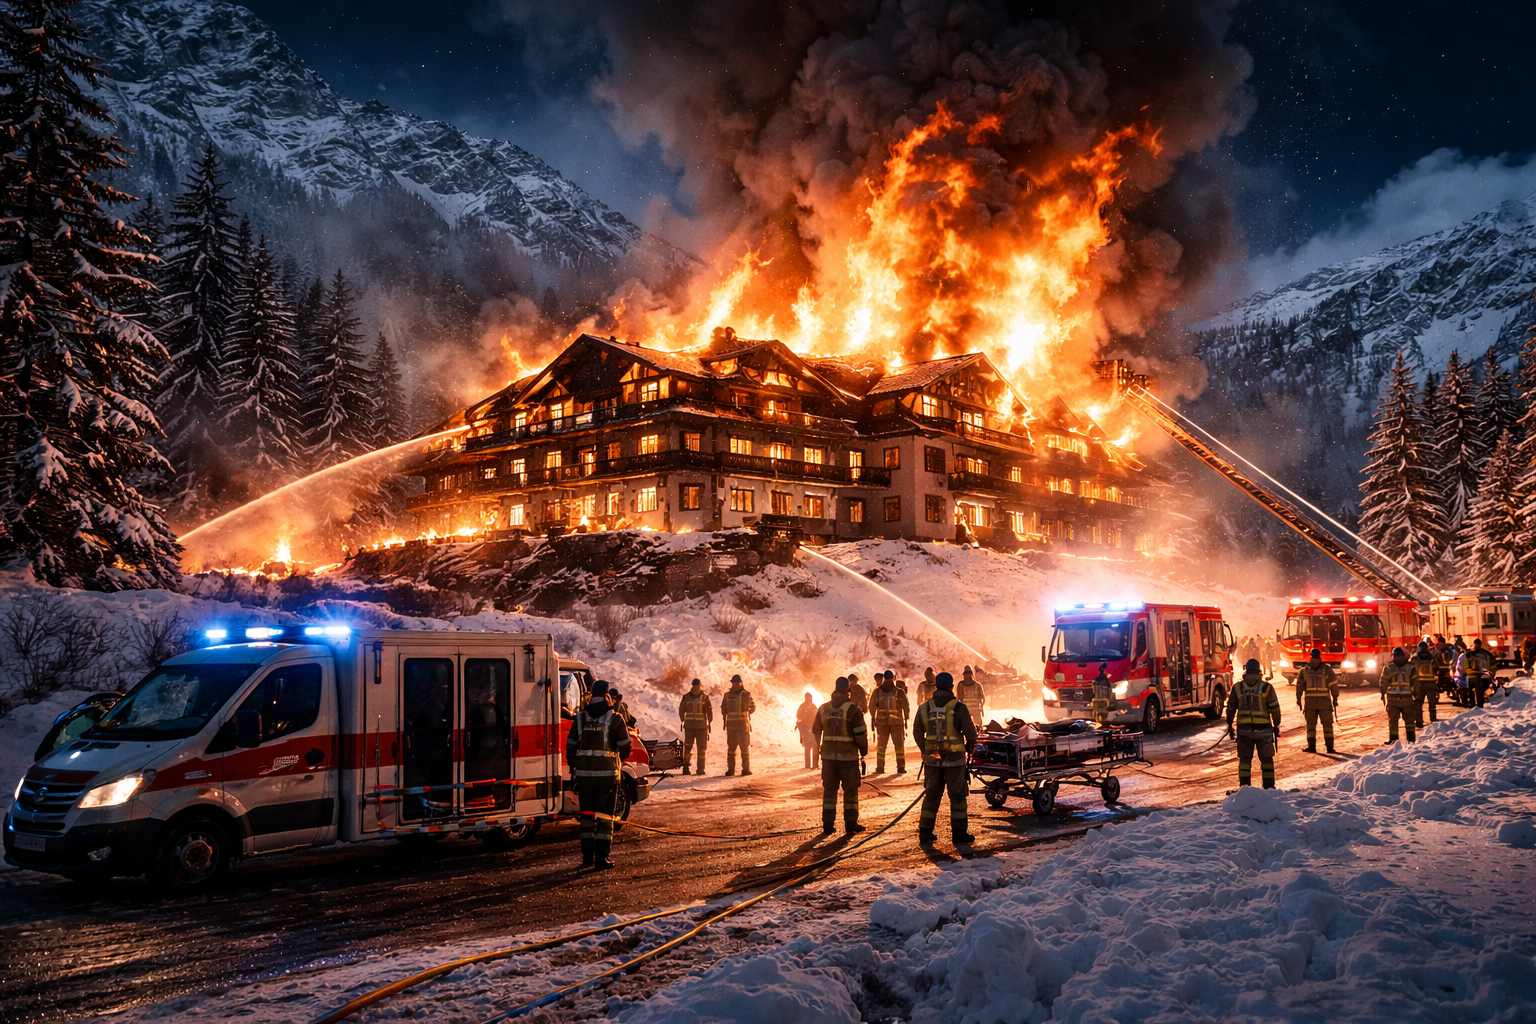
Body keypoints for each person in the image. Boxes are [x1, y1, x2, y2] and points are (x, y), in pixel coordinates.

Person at [567, 678, 631, 870]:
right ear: (606, 696)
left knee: (587, 818)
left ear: (591, 696)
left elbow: (570, 747)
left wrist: (575, 766)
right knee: (604, 819)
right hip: (607, 779)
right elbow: (626, 749)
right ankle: (601, 859)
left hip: (585, 778)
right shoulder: (615, 718)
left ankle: (587, 858)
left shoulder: (580, 718)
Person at [915, 671, 977, 847]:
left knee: (931, 797)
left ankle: (925, 834)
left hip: (932, 762)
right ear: (951, 687)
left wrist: (926, 750)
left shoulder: (924, 707)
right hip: (955, 762)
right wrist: (968, 751)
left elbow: (917, 732)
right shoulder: (959, 707)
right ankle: (959, 834)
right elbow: (971, 735)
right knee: (957, 798)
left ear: (936, 687)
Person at [813, 677, 868, 834]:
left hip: (828, 758)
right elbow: (860, 734)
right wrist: (863, 750)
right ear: (847, 691)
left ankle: (828, 825)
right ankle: (851, 824)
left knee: (829, 790)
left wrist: (820, 747)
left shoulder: (823, 708)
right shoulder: (853, 710)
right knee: (850, 791)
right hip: (848, 758)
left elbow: (816, 729)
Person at [1226, 658, 1281, 788]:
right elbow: (1275, 708)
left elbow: (1231, 708)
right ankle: (1269, 787)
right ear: (1259, 672)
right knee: (1267, 760)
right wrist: (1276, 725)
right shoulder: (1266, 688)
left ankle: (1245, 788)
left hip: (1244, 731)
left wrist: (1229, 725)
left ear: (1246, 671)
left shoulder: (1238, 688)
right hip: (1264, 732)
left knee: (1245, 760)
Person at [1295, 648, 1339, 753]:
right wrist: (1335, 697)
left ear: (1311, 656)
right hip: (1325, 703)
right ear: (1319, 656)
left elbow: (1299, 686)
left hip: (1310, 703)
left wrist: (1298, 699)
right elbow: (1333, 685)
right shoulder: (1327, 669)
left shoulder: (1304, 670)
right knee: (1327, 726)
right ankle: (1329, 748)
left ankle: (1312, 747)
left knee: (1311, 726)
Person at [871, 670, 910, 774]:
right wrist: (906, 718)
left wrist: (873, 718)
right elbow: (906, 706)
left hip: (881, 723)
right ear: (893, 679)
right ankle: (901, 767)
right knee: (899, 745)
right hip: (896, 722)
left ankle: (880, 767)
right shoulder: (899, 691)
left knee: (881, 746)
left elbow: (871, 706)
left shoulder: (877, 691)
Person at [1379, 646, 1416, 744]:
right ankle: (1411, 739)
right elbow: (1416, 682)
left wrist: (1382, 693)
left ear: (1393, 656)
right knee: (1409, 721)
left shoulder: (1388, 667)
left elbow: (1383, 682)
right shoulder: (1411, 667)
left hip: (1392, 698)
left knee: (1393, 721)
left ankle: (1393, 740)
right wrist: (1417, 694)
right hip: (1407, 698)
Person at [721, 674, 756, 776]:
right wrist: (747, 713)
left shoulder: (727, 695)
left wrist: (725, 720)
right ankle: (745, 770)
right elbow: (753, 707)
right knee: (744, 748)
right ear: (741, 683)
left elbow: (723, 709)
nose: (735, 684)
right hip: (742, 725)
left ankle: (730, 771)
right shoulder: (746, 694)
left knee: (731, 749)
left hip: (731, 726)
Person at [678, 678, 712, 775]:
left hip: (689, 727)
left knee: (688, 748)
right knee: (701, 749)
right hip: (701, 727)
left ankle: (685, 769)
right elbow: (709, 711)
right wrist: (710, 721)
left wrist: (683, 719)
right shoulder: (705, 697)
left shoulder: (686, 697)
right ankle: (700, 770)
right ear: (700, 685)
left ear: (692, 686)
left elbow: (681, 709)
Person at [1411, 641, 1438, 728]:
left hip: (1419, 685)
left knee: (1418, 703)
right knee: (1432, 703)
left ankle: (1419, 721)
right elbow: (1437, 668)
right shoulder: (1432, 657)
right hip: (1431, 684)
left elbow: (1410, 671)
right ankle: (1433, 720)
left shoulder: (1414, 658)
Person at [1465, 638, 1493, 708]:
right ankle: (1474, 704)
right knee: (1472, 689)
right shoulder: (1469, 653)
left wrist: (1491, 673)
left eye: (1478, 645)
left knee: (1477, 689)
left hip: (1478, 675)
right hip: (1474, 675)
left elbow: (1491, 664)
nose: (1477, 646)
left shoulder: (1470, 653)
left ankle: (1476, 704)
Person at [795, 692, 819, 769]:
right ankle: (813, 765)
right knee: (812, 746)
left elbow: (798, 716)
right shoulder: (812, 707)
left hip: (807, 727)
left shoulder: (804, 706)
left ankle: (809, 765)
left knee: (809, 746)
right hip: (809, 727)